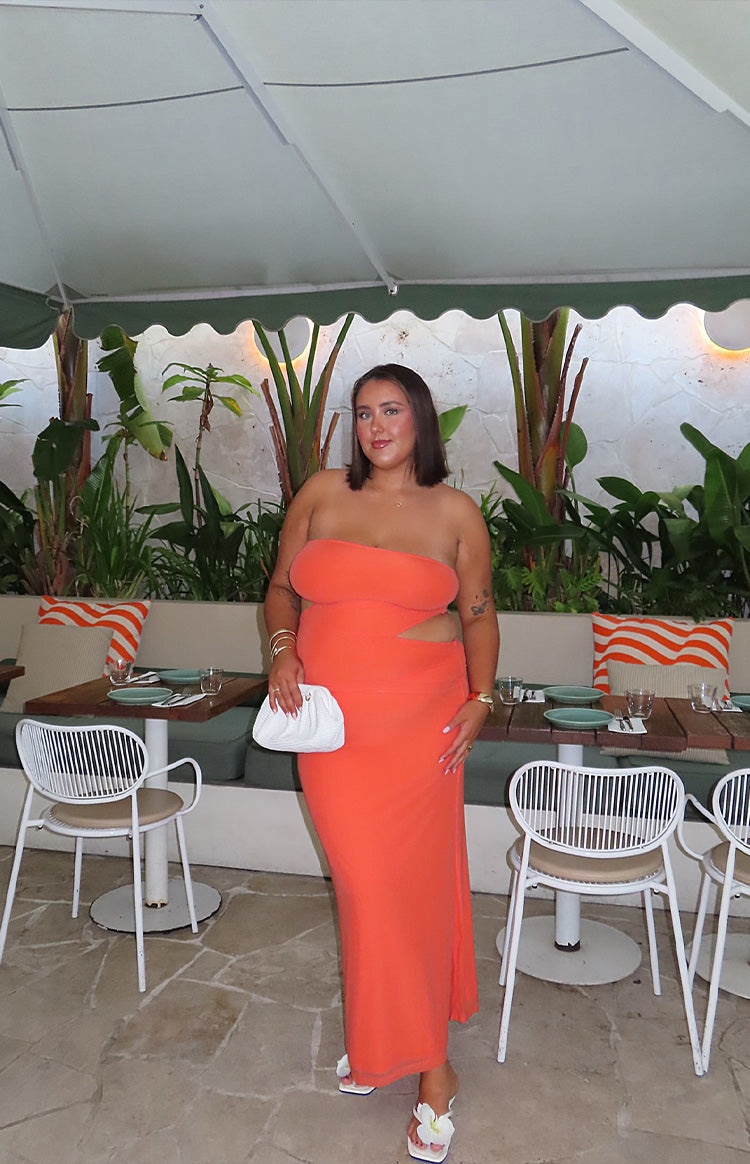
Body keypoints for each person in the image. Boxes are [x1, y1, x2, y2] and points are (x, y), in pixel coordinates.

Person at [263, 363, 499, 1161]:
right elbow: (281, 591)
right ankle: (383, 1039)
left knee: (405, 893)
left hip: (419, 725)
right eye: (363, 414)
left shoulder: (455, 511)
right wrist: (283, 649)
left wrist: (482, 697)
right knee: (364, 888)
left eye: (391, 410)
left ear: (420, 418)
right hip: (332, 731)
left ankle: (433, 1070)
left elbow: (478, 614)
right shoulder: (322, 494)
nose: (376, 427)